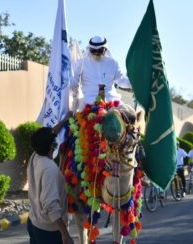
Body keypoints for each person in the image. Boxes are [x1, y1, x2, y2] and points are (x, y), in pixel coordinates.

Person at [27, 115, 74, 244]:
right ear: (52, 146)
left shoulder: (35, 156)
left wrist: (65, 120)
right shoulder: (50, 170)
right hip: (48, 233)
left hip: (34, 222)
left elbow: (50, 134)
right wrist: (65, 234)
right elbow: (51, 205)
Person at [70, 36, 131, 111]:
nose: (96, 53)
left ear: (105, 49)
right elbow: (73, 83)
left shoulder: (113, 63)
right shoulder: (81, 63)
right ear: (89, 49)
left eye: (100, 51)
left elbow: (121, 81)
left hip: (111, 101)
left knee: (130, 117)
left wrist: (137, 84)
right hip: (89, 102)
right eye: (93, 51)